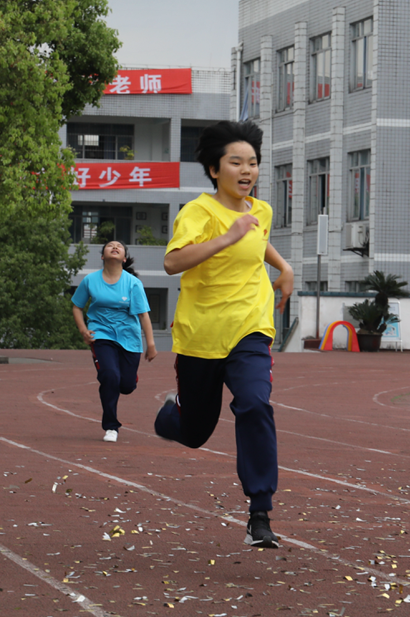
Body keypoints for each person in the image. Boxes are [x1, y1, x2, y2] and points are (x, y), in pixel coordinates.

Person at [154, 121, 294, 549]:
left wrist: (284, 268)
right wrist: (226, 236)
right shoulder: (198, 212)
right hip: (201, 335)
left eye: (252, 162)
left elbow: (258, 241)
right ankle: (169, 415)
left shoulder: (260, 211)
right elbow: (173, 263)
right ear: (216, 169)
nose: (247, 169)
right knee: (196, 432)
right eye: (236, 162)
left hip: (251, 327)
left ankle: (260, 512)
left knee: (254, 403)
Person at [72, 240, 157, 443]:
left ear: (124, 258)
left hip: (129, 338)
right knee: (109, 376)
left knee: (125, 385)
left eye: (119, 246)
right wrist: (84, 330)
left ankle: (125, 379)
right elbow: (77, 306)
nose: (115, 247)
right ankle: (111, 426)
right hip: (101, 335)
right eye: (110, 246)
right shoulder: (90, 281)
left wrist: (151, 344)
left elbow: (144, 315)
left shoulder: (132, 283)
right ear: (102, 256)